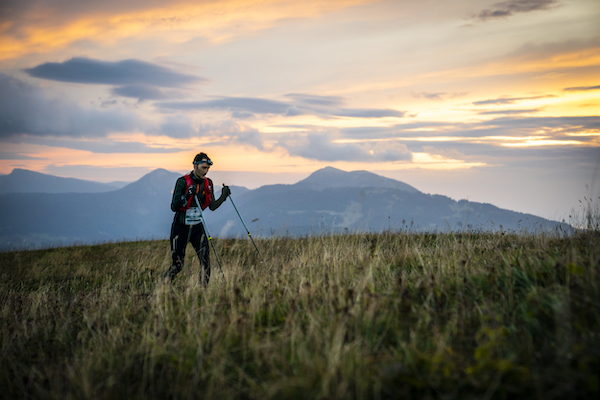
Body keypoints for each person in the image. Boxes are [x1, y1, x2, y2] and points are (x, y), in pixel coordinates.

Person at [163, 152, 230, 284]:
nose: (206, 171)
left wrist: (224, 196)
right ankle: (162, 288)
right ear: (195, 166)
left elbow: (212, 206)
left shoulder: (208, 183)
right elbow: (174, 206)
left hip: (197, 228)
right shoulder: (182, 182)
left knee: (206, 262)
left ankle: (203, 294)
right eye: (203, 168)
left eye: (208, 168)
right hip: (180, 228)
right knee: (178, 265)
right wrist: (187, 195)